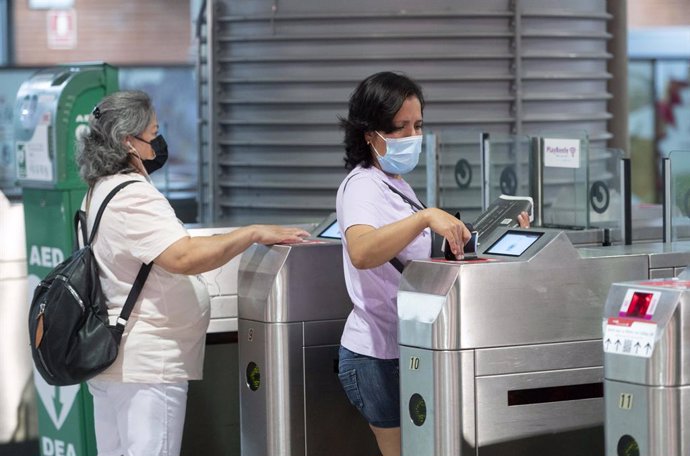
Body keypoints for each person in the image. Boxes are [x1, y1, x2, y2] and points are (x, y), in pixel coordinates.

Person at [75, 90, 309, 456]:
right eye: (152, 135)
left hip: (117, 362)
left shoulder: (99, 191)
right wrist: (251, 233)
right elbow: (183, 257)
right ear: (127, 142)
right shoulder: (133, 195)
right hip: (148, 366)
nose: (159, 143)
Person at [335, 72, 529, 456]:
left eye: (418, 125)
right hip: (376, 356)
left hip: (404, 347)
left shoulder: (394, 182)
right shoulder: (363, 186)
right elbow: (362, 251)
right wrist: (424, 217)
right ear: (368, 134)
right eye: (399, 127)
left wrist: (495, 230)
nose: (412, 136)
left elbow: (417, 251)